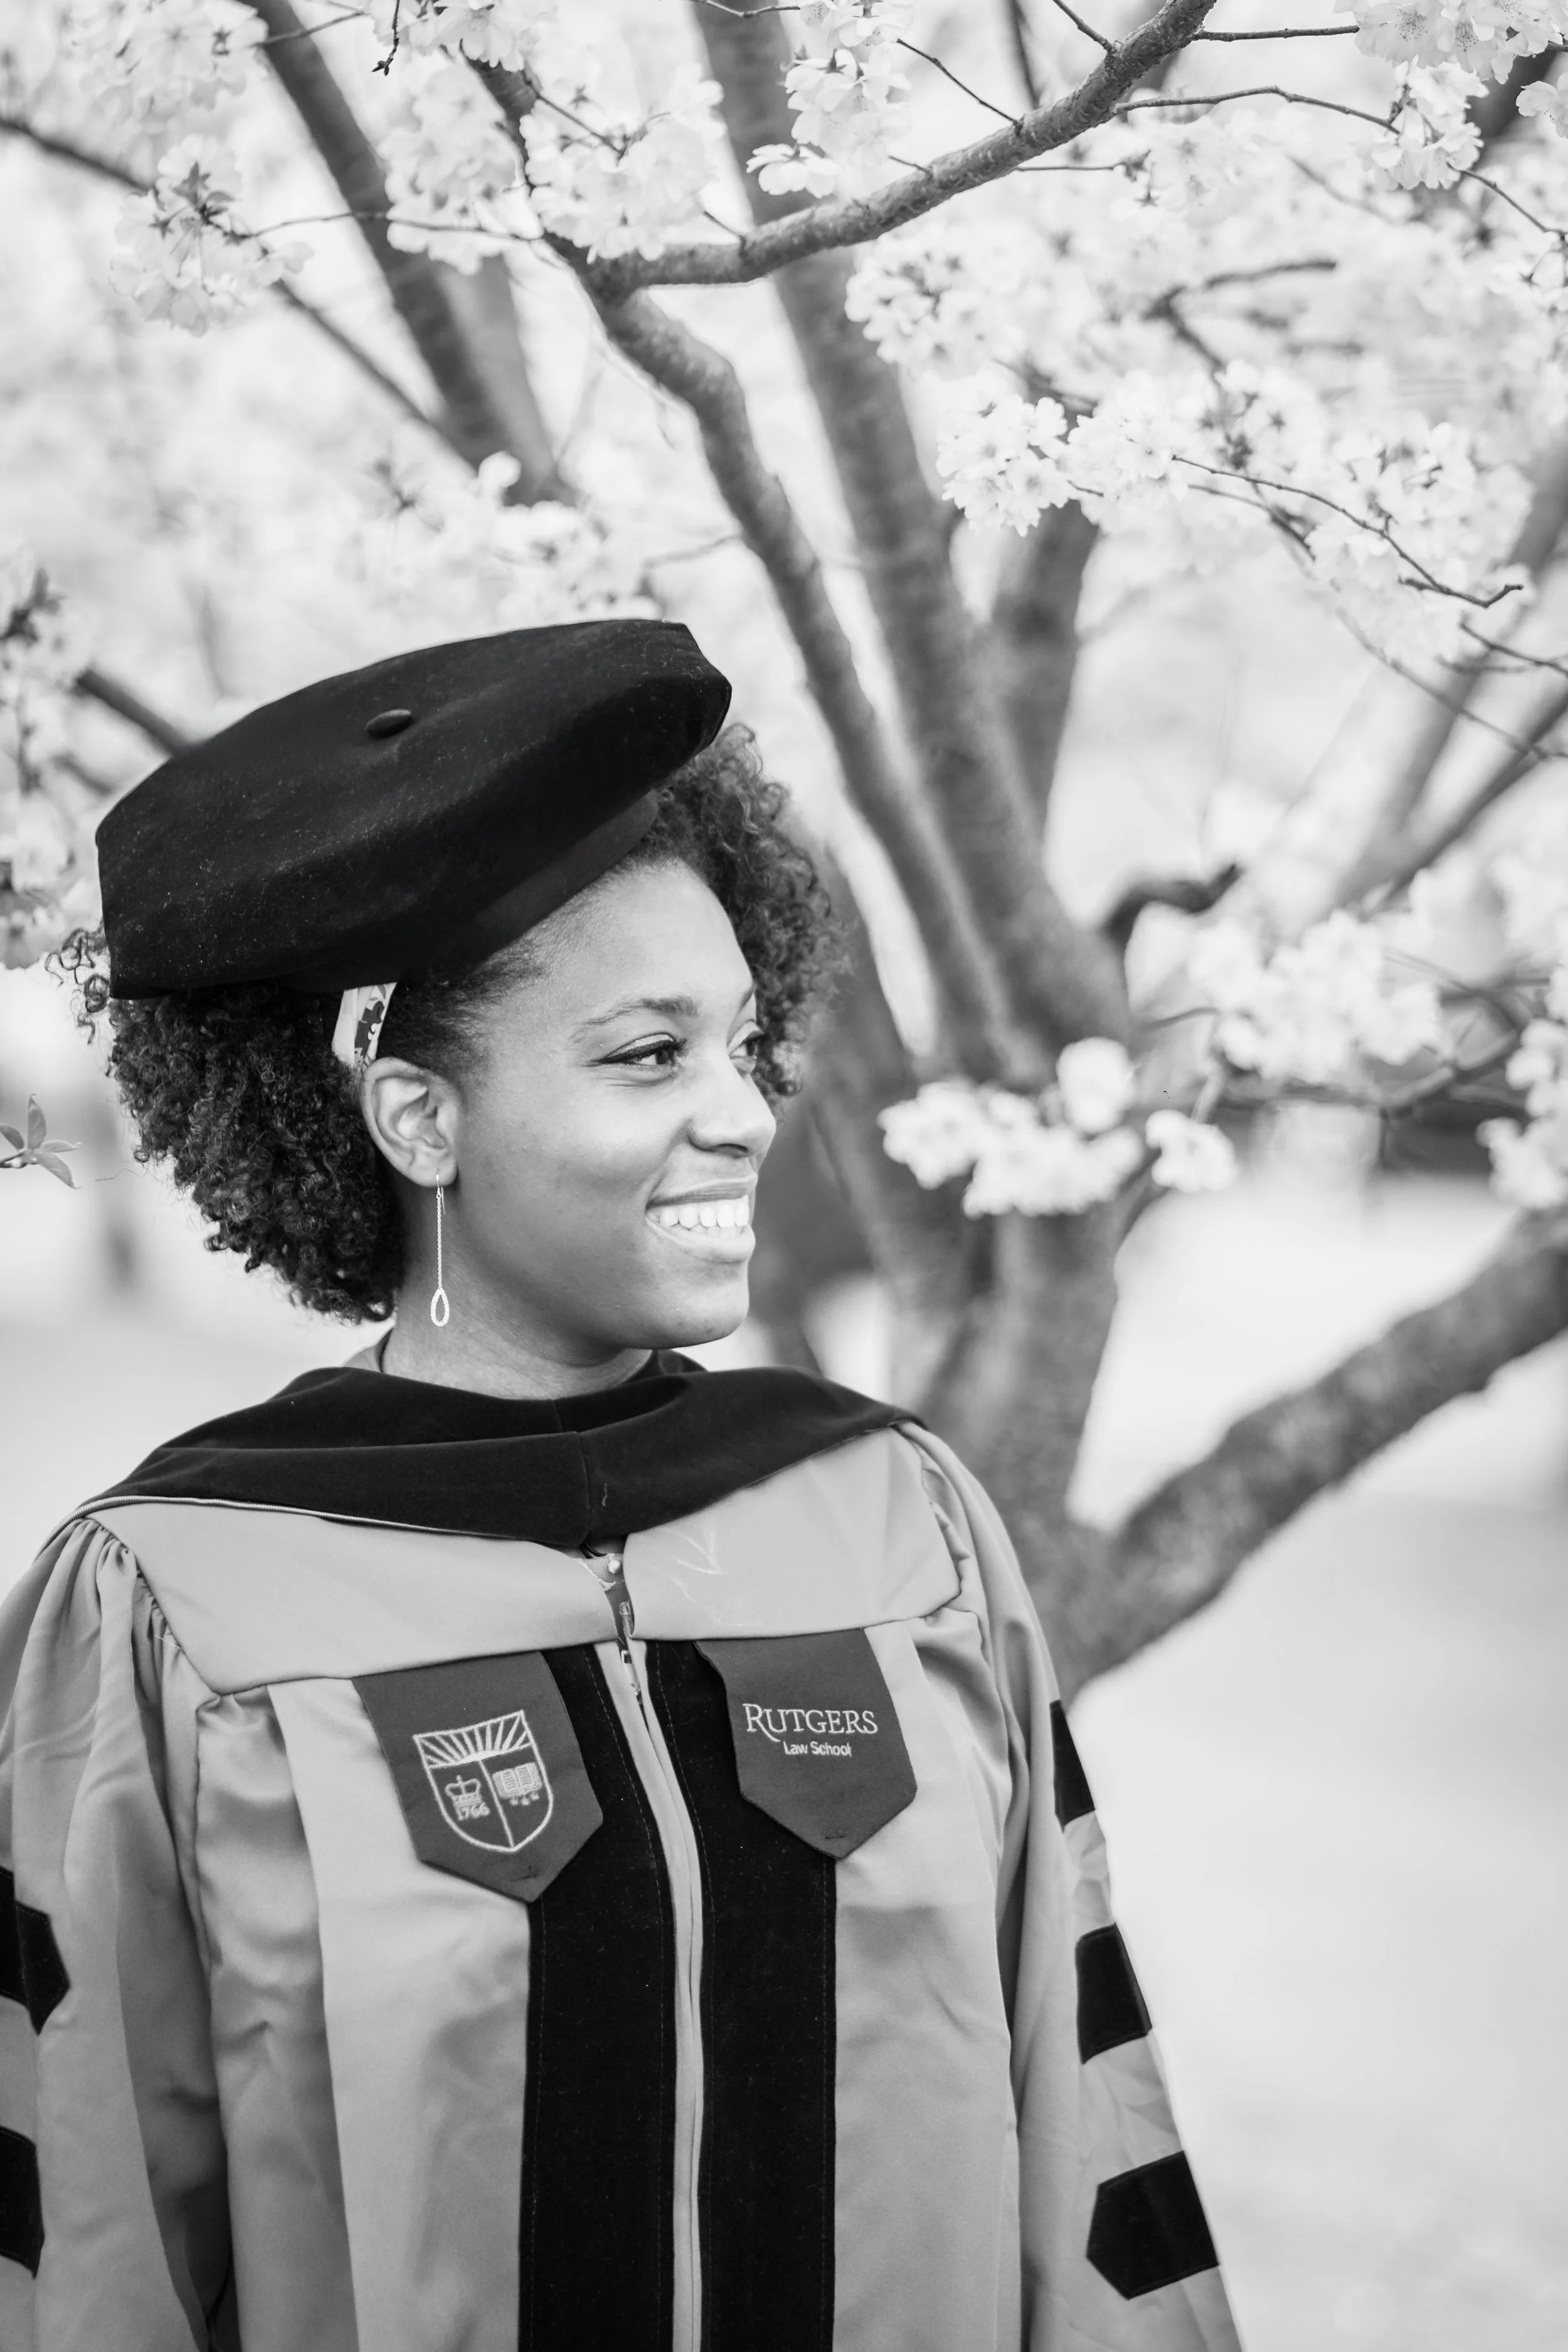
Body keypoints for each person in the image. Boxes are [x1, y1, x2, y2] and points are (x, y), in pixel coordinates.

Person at [0, 622, 1239, 2352]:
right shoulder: (183, 1605)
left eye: (739, 1043)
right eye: (648, 1056)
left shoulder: (893, 1528)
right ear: (418, 1116)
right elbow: (82, 2235)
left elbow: (1085, 2140)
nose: (741, 1113)